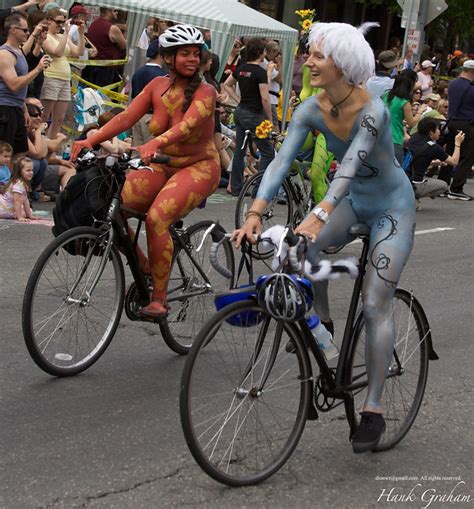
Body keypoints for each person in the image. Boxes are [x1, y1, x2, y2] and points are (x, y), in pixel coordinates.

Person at [233, 21, 416, 454]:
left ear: (344, 64)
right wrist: (255, 212)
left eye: (318, 55)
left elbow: (350, 166)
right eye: (309, 54)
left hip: (392, 207)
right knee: (297, 255)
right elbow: (279, 162)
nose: (308, 62)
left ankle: (372, 408)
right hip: (354, 202)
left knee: (374, 303)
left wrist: (319, 213)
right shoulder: (311, 108)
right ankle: (324, 324)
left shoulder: (371, 110)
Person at [71, 24, 220, 319]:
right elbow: (126, 116)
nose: (192, 58)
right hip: (160, 165)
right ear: (167, 57)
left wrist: (152, 144)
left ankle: (159, 300)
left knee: (157, 218)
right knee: (111, 205)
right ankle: (144, 265)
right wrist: (90, 139)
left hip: (199, 167)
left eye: (196, 53)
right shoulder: (155, 86)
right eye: (185, 53)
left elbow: (186, 127)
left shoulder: (207, 91)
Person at [223, 37, 274, 196]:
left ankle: (236, 188)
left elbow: (226, 84)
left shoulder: (241, 68)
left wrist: (238, 100)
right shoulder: (260, 72)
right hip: (254, 115)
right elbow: (265, 98)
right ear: (260, 52)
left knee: (240, 149)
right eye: (264, 50)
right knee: (268, 152)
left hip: (241, 112)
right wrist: (270, 119)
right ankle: (258, 189)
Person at [0, 13, 50, 156]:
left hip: (16, 108)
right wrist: (38, 69)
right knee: (5, 155)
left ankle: (12, 179)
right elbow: (14, 85)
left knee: (20, 153)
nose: (28, 33)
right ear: (13, 30)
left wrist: (24, 109)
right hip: (5, 109)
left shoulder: (18, 52)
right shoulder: (4, 54)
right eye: (25, 30)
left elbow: (27, 52)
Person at [41, 8, 85, 139]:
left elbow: (78, 52)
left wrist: (81, 34)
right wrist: (66, 32)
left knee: (59, 119)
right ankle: (40, 143)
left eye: (63, 22)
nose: (60, 25)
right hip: (51, 77)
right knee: (44, 116)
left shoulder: (61, 36)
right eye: (58, 22)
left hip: (65, 79)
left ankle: (50, 146)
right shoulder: (45, 36)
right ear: (49, 21)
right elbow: (57, 52)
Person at [408, 117, 464, 209]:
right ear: (431, 132)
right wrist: (457, 143)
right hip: (416, 184)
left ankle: (411, 196)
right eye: (438, 129)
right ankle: (414, 196)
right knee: (443, 185)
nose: (439, 132)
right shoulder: (433, 147)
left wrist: (435, 163)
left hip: (406, 180)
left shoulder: (414, 138)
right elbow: (454, 161)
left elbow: (418, 160)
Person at [444, 59, 474, 201]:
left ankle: (443, 185)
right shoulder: (471, 87)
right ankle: (456, 188)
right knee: (466, 156)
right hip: (467, 123)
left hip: (452, 121)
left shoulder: (453, 83)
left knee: (449, 153)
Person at [130, 37, 168, 147]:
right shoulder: (163, 76)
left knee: (136, 152)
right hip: (152, 118)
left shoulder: (138, 72)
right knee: (151, 152)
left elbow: (134, 96)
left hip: (137, 117)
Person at [382, 73, 427, 164]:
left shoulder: (386, 95)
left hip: (381, 137)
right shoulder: (404, 102)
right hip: (395, 139)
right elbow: (411, 123)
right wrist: (420, 111)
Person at [84, 8, 127, 87]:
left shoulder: (94, 24)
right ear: (107, 11)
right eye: (114, 10)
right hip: (106, 70)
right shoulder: (112, 28)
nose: (117, 12)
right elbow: (125, 45)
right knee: (103, 96)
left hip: (92, 66)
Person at [0, 156, 36, 220]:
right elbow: (16, 201)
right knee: (23, 212)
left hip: (8, 205)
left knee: (28, 210)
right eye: (28, 170)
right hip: (4, 208)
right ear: (19, 172)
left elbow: (25, 200)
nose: (31, 172)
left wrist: (30, 215)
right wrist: (20, 217)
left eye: (32, 170)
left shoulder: (23, 183)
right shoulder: (19, 184)